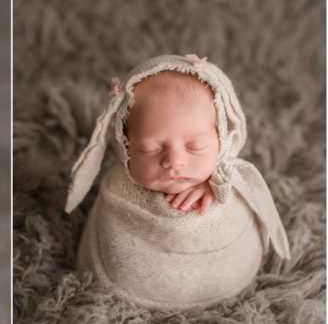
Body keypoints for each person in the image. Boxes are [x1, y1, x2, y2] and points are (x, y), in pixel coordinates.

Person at [65, 54, 290, 309]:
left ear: (223, 139)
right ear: (124, 145)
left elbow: (233, 195)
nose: (174, 161)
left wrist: (218, 184)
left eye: (195, 146)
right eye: (150, 149)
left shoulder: (229, 179)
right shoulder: (118, 193)